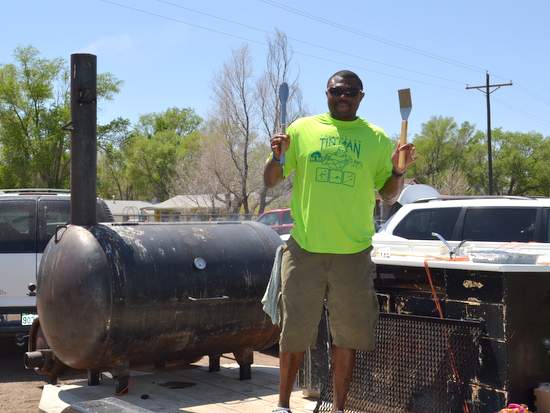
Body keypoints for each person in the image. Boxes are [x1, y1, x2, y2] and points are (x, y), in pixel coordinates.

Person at [263, 70, 415, 413]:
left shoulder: (376, 138)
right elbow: (271, 181)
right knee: (294, 331)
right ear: (327, 93)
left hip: (353, 254)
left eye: (349, 92)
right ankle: (282, 406)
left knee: (347, 336)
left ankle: (339, 408)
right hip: (304, 250)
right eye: (336, 91)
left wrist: (398, 171)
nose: (342, 96)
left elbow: (389, 195)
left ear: (361, 96)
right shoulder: (301, 130)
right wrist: (277, 156)